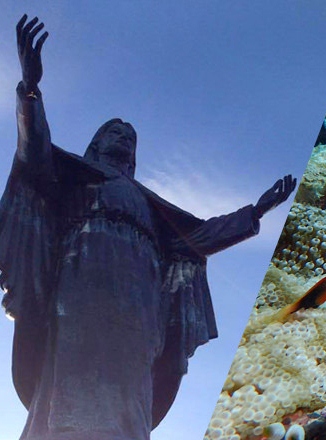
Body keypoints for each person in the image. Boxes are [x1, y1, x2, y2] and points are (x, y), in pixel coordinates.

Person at [1, 15, 296, 440]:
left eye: (130, 136)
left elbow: (200, 237)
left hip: (141, 302)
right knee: (72, 378)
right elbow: (33, 152)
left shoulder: (150, 204)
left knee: (133, 385)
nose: (124, 137)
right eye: (115, 131)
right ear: (96, 143)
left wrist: (256, 212)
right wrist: (30, 90)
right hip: (81, 286)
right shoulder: (72, 177)